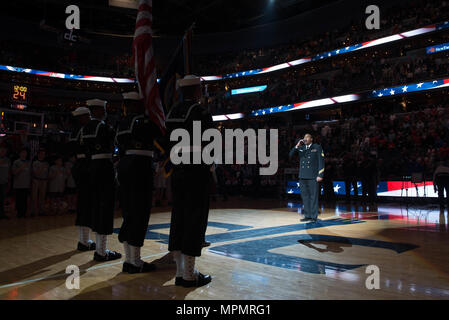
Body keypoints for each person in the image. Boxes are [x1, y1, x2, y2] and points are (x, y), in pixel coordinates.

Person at [166, 75, 213, 287]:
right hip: (196, 170)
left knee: (179, 219)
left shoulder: (171, 113)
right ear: (196, 91)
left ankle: (179, 272)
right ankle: (189, 275)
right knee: (195, 220)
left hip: (177, 170)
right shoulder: (201, 112)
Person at [116, 91, 160, 273]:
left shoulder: (121, 123)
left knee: (129, 212)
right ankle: (135, 262)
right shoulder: (143, 122)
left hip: (125, 165)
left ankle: (129, 260)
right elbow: (158, 134)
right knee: (140, 213)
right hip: (140, 167)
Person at [81, 99, 121, 261]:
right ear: (96, 110)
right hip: (104, 166)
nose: (105, 112)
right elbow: (115, 142)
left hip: (91, 166)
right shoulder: (102, 126)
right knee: (105, 208)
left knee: (96, 206)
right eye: (103, 109)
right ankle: (102, 251)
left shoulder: (85, 128)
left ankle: (100, 249)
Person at [69, 106, 96, 251]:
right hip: (87, 166)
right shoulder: (89, 130)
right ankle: (85, 241)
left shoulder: (73, 131)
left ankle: (83, 240)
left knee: (82, 204)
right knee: (87, 205)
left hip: (78, 166)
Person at [289, 133, 324, 222]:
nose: (305, 139)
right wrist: (297, 146)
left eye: (307, 137)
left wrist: (320, 174)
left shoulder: (316, 147)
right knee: (305, 196)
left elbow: (321, 161)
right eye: (304, 137)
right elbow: (290, 155)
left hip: (313, 176)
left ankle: (313, 216)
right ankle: (307, 215)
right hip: (302, 176)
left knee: (313, 196)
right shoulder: (301, 148)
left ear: (311, 139)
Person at [12, 148, 31, 218]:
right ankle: (18, 213)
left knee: (25, 200)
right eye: (22, 153)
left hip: (26, 184)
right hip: (18, 185)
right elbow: (14, 172)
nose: (24, 154)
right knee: (18, 200)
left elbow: (29, 173)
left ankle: (24, 213)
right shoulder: (16, 162)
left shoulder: (28, 162)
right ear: (20, 154)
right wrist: (21, 168)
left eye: (25, 153)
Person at [31, 149, 49, 217]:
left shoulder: (46, 163)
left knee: (42, 196)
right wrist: (42, 167)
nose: (42, 155)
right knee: (34, 196)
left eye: (44, 154)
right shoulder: (35, 163)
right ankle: (34, 211)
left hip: (44, 181)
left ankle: (41, 210)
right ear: (38, 154)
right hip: (36, 180)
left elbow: (47, 173)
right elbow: (36, 172)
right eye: (41, 154)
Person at [0, 145, 10, 219]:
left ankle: (2, 213)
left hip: (4, 182)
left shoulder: (8, 160)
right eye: (2, 150)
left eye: (4, 150)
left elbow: (9, 171)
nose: (3, 151)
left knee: (3, 198)